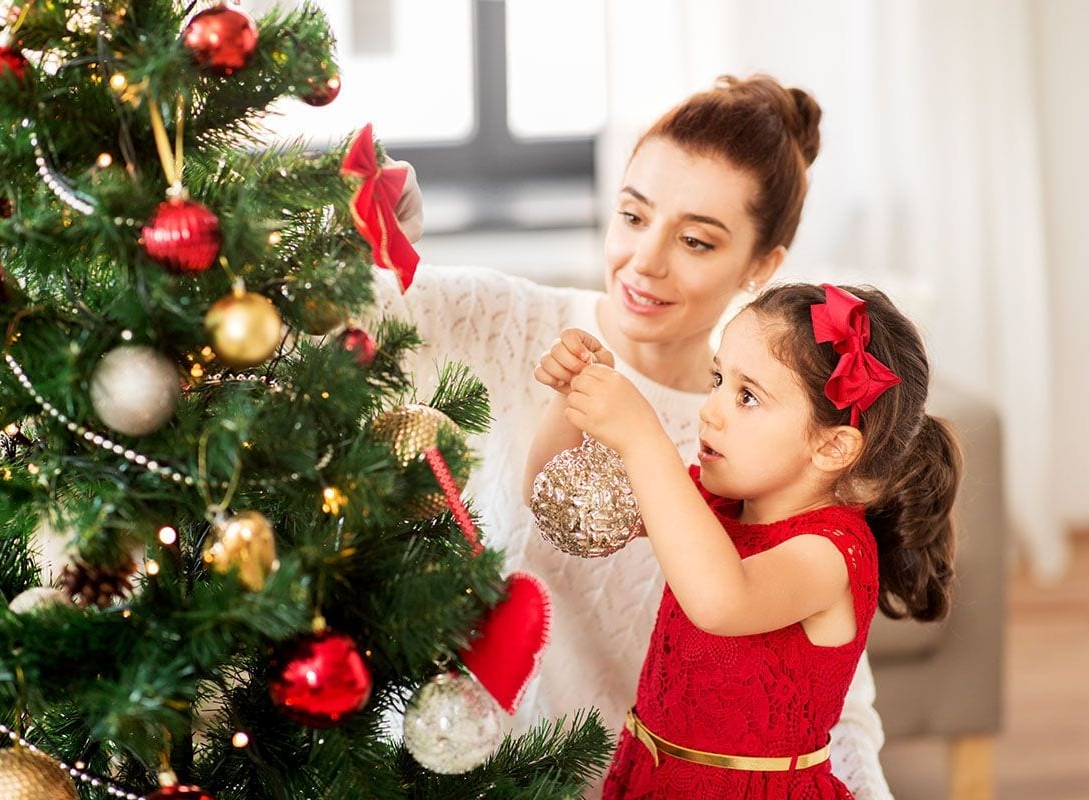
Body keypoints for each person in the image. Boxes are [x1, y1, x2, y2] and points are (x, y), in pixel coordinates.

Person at [373, 75, 895, 798]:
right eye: (633, 215)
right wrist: (361, 217)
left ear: (762, 266)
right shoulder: (504, 319)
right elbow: (335, 306)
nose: (646, 262)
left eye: (697, 240)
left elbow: (831, 695)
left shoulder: (751, 454)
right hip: (428, 762)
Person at [525, 283, 960, 798]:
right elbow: (555, 501)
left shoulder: (830, 554)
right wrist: (570, 398)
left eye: (747, 395)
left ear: (832, 445)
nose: (710, 410)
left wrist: (644, 438)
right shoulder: (712, 505)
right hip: (649, 776)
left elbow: (721, 601)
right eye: (717, 378)